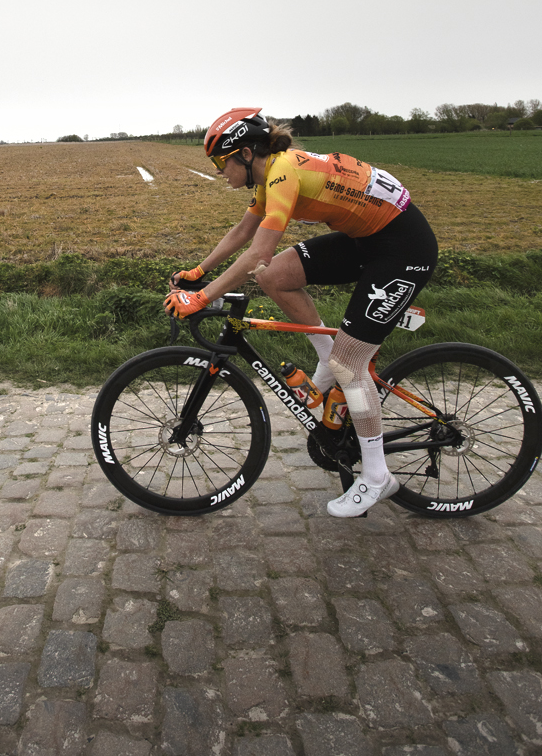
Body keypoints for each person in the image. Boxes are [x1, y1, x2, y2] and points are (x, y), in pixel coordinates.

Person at [164, 107, 438, 517]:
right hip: (364, 237)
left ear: (243, 153)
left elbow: (258, 251)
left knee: (351, 362)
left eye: (221, 162)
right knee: (275, 277)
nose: (220, 172)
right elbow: (244, 232)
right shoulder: (269, 173)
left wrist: (203, 297)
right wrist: (198, 272)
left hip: (402, 248)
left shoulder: (283, 171)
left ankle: (378, 476)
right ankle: (330, 362)